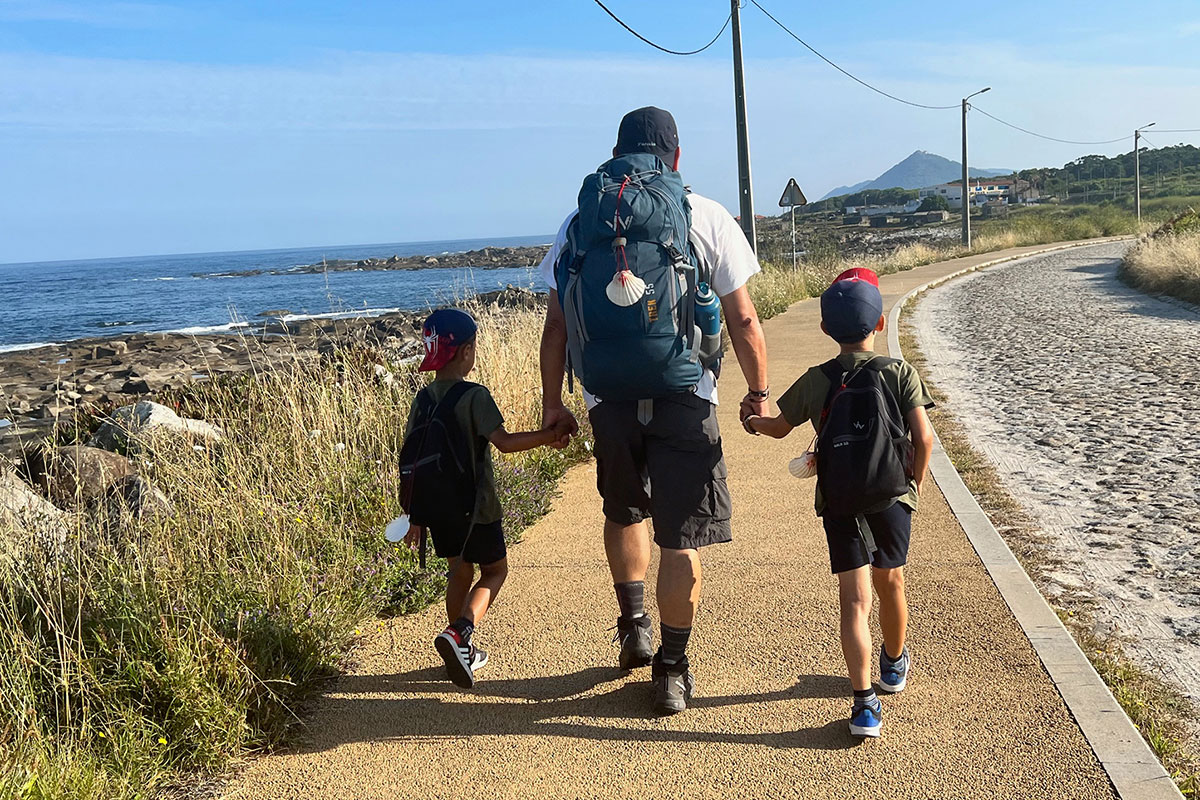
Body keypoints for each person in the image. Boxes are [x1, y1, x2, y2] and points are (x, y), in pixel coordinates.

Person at [538, 106, 769, 715]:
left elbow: (557, 326)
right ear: (676, 156)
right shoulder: (704, 214)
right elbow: (743, 318)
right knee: (680, 534)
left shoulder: (579, 221)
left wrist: (553, 405)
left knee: (623, 509)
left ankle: (634, 625)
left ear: (616, 152)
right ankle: (671, 669)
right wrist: (758, 392)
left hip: (607, 398)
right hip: (686, 396)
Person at [744, 268, 934, 738]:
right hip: (892, 494)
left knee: (854, 599)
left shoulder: (818, 379)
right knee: (891, 581)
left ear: (826, 328)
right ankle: (893, 665)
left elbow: (778, 428)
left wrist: (752, 421)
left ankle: (865, 705)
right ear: (880, 324)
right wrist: (913, 485)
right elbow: (924, 438)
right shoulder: (899, 373)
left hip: (840, 497)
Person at [403, 308, 569, 689]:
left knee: (459, 571)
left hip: (439, 510)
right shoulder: (474, 396)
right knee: (495, 571)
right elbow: (505, 443)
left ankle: (459, 649)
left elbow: (414, 459)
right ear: (466, 352)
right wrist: (550, 436)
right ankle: (460, 632)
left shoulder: (422, 400)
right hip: (477, 509)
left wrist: (415, 515)